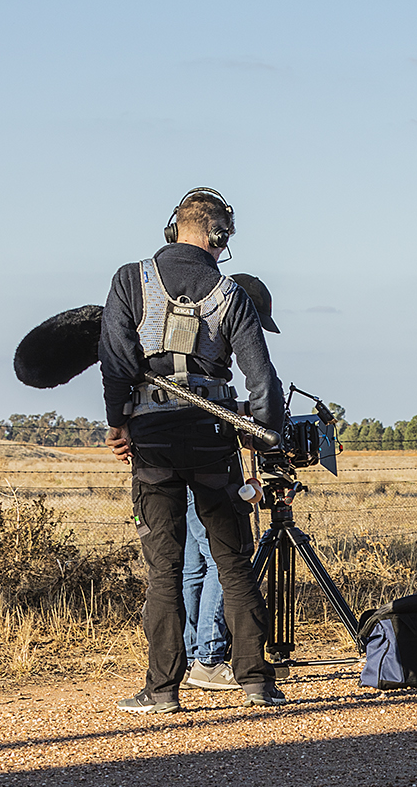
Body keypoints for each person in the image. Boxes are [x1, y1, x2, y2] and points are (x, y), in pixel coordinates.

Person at [99, 188, 287, 711]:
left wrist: (119, 425)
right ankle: (255, 681)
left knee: (165, 568)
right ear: (218, 236)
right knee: (233, 561)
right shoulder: (231, 293)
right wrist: (262, 436)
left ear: (174, 227)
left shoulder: (128, 280)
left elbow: (115, 360)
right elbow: (262, 381)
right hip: (213, 439)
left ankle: (162, 691)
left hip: (153, 442)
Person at [181, 273, 282, 692]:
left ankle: (189, 657)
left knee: (193, 564)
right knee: (225, 557)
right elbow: (262, 389)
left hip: (168, 450)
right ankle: (208, 657)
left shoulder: (180, 343)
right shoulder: (213, 361)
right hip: (210, 457)